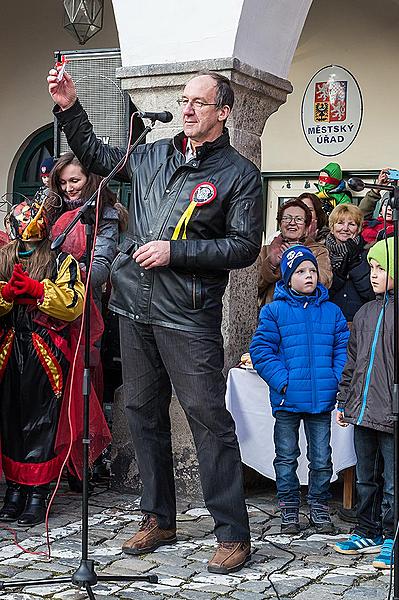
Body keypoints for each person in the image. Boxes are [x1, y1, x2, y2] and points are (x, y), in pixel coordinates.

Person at [48, 67, 263, 573]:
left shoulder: (238, 174)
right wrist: (69, 105)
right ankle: (157, 517)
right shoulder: (150, 154)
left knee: (210, 421)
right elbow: (99, 157)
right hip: (133, 306)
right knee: (143, 414)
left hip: (187, 316)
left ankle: (232, 532)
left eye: (199, 103)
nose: (186, 109)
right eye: (184, 101)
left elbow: (245, 246)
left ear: (223, 113)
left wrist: (176, 251)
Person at [250, 245, 349, 534]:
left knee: (321, 459)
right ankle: (289, 509)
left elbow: (343, 350)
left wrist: (333, 379)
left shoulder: (332, 312)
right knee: (286, 457)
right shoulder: (274, 311)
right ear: (287, 278)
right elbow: (261, 350)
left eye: (312, 271)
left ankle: (318, 507)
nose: (309, 275)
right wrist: (283, 381)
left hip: (321, 400)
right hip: (287, 400)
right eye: (301, 271)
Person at [0, 198, 85, 526]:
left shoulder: (62, 260)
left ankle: (37, 493)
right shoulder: (5, 257)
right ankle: (14, 491)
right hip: (9, 349)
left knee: (42, 420)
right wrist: (5, 295)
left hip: (46, 350)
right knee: (10, 419)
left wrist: (39, 291)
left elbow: (73, 304)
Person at [334, 237, 396, 570]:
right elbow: (353, 361)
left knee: (393, 479)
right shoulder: (365, 311)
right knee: (365, 477)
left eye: (382, 267)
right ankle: (367, 529)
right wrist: (346, 399)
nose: (373, 274)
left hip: (391, 412)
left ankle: (392, 534)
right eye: (371, 267)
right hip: (363, 410)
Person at [48, 152, 128, 308]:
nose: (68, 188)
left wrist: (61, 272)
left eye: (74, 181)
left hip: (84, 302)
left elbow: (100, 268)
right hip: (46, 300)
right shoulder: (51, 209)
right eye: (62, 182)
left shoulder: (105, 215)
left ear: (90, 179)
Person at [258, 198, 332, 306]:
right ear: (280, 224)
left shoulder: (318, 251)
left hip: (307, 312)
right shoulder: (266, 251)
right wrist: (271, 264)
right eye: (286, 218)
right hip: (273, 315)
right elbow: (251, 288)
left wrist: (295, 261)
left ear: (307, 226)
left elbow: (324, 282)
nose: (292, 223)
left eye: (298, 219)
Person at [326, 204, 375, 322]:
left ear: (358, 229)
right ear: (332, 228)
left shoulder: (369, 254)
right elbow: (318, 293)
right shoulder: (322, 253)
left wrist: (356, 265)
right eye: (340, 223)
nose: (345, 228)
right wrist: (339, 277)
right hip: (329, 322)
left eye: (351, 224)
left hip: (361, 322)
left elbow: (372, 295)